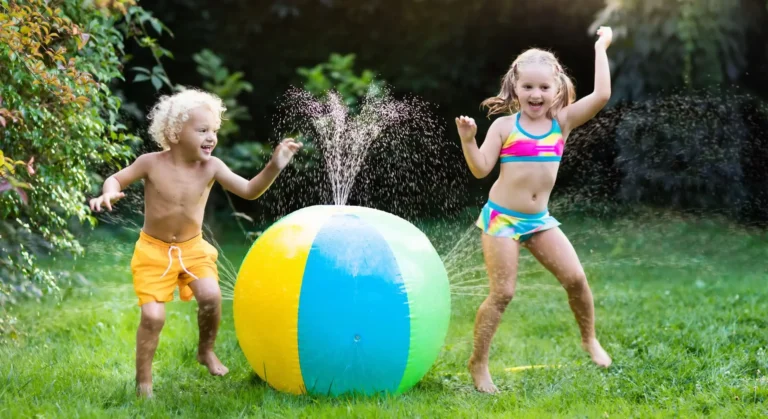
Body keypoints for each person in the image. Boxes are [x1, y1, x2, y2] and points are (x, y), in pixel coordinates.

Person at [89, 88, 302, 398]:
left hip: (193, 249)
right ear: (175, 132)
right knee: (152, 316)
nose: (211, 137)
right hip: (153, 252)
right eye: (203, 130)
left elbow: (249, 190)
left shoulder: (211, 167)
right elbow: (117, 179)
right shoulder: (150, 162)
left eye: (214, 130)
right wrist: (108, 192)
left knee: (211, 295)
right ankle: (144, 384)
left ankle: (206, 350)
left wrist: (275, 166)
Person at [455, 27, 614, 393]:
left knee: (576, 279)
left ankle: (589, 339)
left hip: (539, 221)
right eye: (528, 87)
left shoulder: (562, 122)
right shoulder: (503, 126)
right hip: (501, 220)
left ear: (556, 89)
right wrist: (468, 140)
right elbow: (480, 168)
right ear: (515, 88)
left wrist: (600, 46)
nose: (536, 94)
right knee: (503, 293)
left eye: (544, 87)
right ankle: (478, 364)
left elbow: (602, 94)